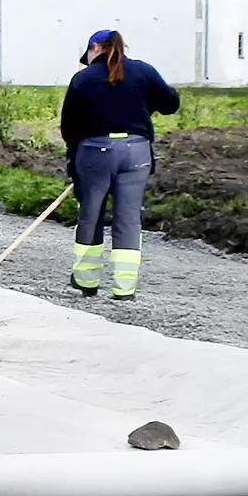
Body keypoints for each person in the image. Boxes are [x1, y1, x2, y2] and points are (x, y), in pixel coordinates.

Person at [61, 27, 182, 298]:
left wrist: (74, 160)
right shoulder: (143, 72)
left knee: (90, 214)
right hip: (136, 153)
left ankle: (86, 281)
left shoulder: (83, 79)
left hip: (95, 152)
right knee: (128, 219)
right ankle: (124, 288)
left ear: (95, 49)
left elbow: (69, 126)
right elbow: (170, 103)